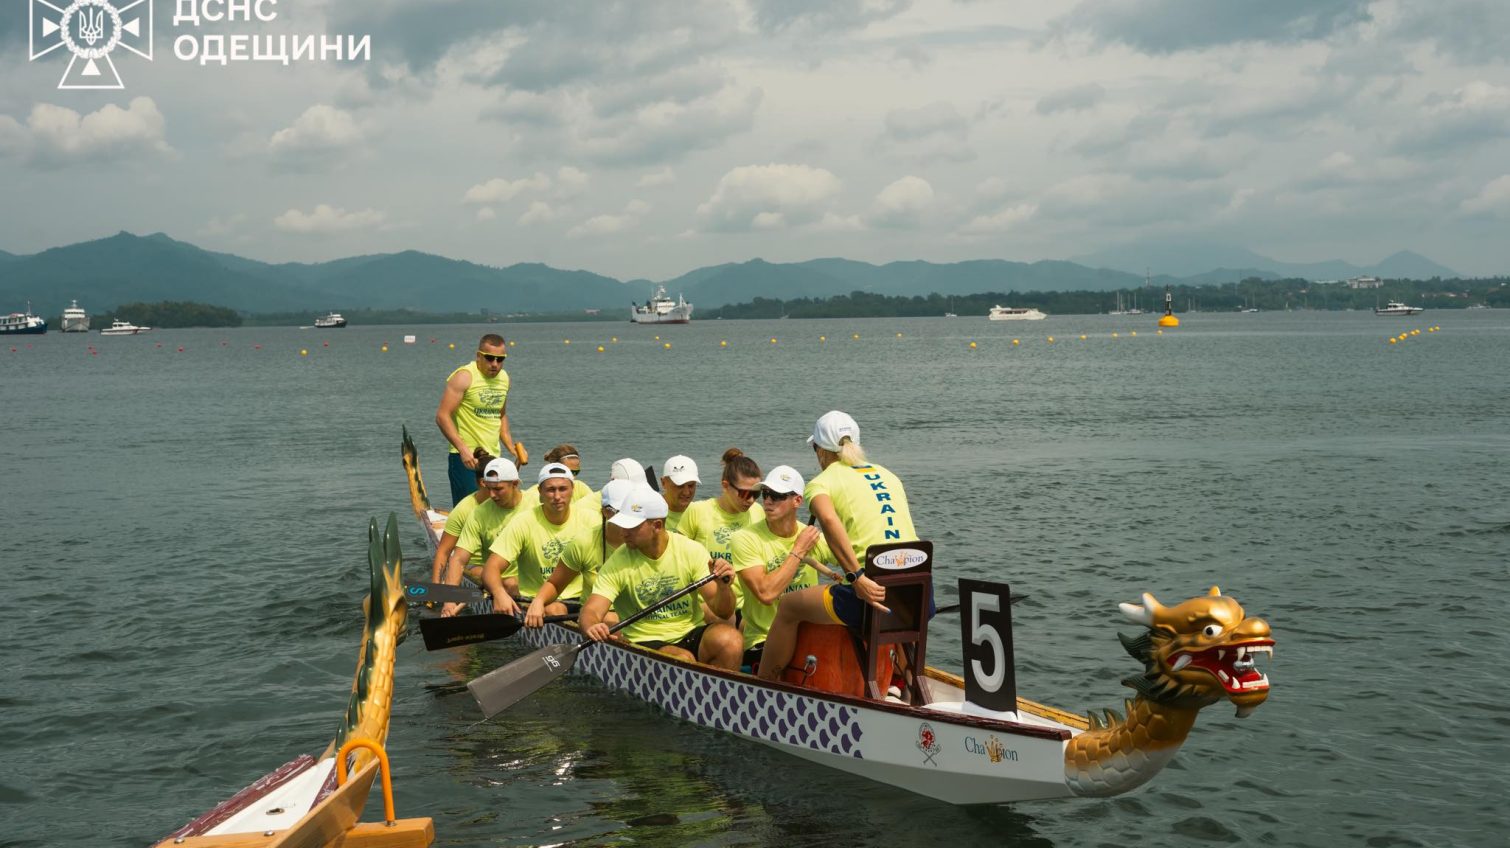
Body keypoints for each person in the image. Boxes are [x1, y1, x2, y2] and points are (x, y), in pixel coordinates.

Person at [756, 411, 918, 683]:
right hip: (918, 597)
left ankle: (763, 687)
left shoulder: (821, 483)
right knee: (890, 605)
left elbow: (829, 522)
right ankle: (907, 687)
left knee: (788, 607)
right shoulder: (889, 475)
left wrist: (856, 576)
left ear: (820, 450)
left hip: (870, 598)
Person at [580, 484, 743, 669]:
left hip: (689, 632)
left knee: (732, 640)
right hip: (645, 640)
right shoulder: (617, 563)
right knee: (683, 658)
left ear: (656, 526)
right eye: (622, 524)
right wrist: (591, 625)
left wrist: (724, 587)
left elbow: (724, 611)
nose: (623, 532)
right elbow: (591, 610)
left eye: (631, 526)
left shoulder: (691, 551)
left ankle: (717, 692)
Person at [729, 465, 837, 671]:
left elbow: (854, 560)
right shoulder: (744, 539)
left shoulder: (811, 536)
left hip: (809, 636)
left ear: (797, 501)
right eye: (766, 494)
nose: (767, 501)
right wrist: (798, 550)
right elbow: (766, 593)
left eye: (777, 496)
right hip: (764, 639)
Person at [470, 462, 597, 618]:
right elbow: (491, 568)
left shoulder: (591, 520)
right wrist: (499, 594)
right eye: (550, 490)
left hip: (583, 599)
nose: (557, 496)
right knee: (555, 609)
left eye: (562, 489)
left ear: (572, 490)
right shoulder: (524, 522)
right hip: (537, 601)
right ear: (540, 492)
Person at [523, 478, 635, 629]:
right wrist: (538, 602)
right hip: (599, 616)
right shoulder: (584, 541)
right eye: (618, 512)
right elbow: (555, 584)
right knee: (610, 618)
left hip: (640, 614)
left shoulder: (649, 540)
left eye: (630, 511)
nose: (626, 519)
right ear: (605, 511)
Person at [675, 448, 765, 619]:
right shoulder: (697, 511)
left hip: (748, 605)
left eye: (756, 493)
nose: (751, 500)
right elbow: (676, 561)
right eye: (745, 493)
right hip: (710, 605)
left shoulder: (758, 512)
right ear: (725, 486)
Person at [436, 333, 520, 506]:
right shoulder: (464, 377)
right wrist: (462, 449)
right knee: (468, 510)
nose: (495, 364)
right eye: (489, 358)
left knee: (494, 508)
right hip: (466, 459)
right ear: (478, 356)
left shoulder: (504, 379)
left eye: (500, 359)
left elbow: (501, 414)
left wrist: (511, 447)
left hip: (493, 457)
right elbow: (442, 416)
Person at [439, 457, 528, 591]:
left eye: (498, 489)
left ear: (515, 484)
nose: (492, 495)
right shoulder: (478, 514)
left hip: (534, 579)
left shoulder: (537, 502)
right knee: (510, 583)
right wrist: (449, 598)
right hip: (499, 580)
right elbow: (458, 560)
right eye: (489, 488)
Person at [429, 447, 495, 581]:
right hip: (474, 565)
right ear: (483, 482)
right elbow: (443, 552)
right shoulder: (464, 510)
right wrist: (435, 587)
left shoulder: (508, 505)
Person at [659, 455, 700, 532]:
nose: (686, 492)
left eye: (691, 485)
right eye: (679, 486)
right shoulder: (649, 514)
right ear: (663, 483)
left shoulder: (701, 513)